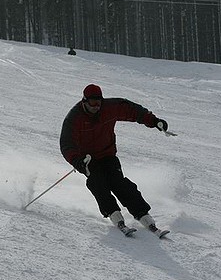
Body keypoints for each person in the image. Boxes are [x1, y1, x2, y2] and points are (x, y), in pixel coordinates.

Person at [59, 84, 170, 237]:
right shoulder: (74, 118)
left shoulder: (109, 108)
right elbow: (66, 144)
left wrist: (154, 121)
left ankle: (143, 214)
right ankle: (114, 214)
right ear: (84, 101)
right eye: (92, 103)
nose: (96, 106)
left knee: (119, 183)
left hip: (107, 154)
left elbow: (132, 110)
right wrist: (77, 161)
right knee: (97, 182)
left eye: (99, 102)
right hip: (88, 159)